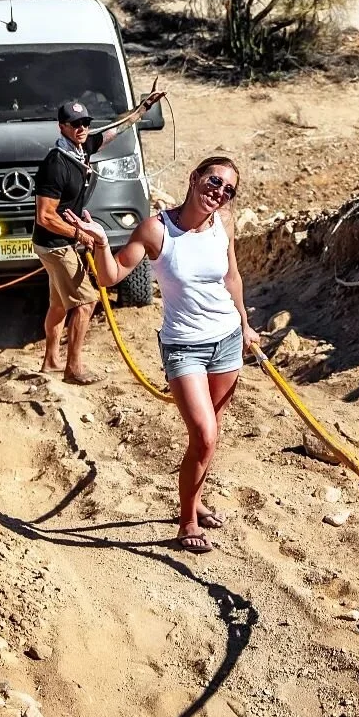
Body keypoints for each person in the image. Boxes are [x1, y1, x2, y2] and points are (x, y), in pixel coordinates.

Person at [75, 155, 260, 554]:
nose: (219, 193)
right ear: (194, 179)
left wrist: (244, 324)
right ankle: (187, 521)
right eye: (214, 182)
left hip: (226, 339)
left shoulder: (222, 226)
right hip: (184, 346)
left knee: (209, 436)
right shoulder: (157, 230)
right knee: (205, 434)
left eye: (229, 190)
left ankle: (195, 500)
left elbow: (231, 277)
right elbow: (110, 277)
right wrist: (103, 243)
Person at [33, 92, 163, 384]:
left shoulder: (82, 148)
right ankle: (73, 368)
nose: (81, 128)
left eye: (85, 123)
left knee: (58, 303)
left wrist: (142, 109)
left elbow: (115, 130)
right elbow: (44, 216)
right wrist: (81, 234)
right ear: (62, 127)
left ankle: (51, 360)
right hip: (54, 244)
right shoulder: (56, 164)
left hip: (61, 241)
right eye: (74, 124)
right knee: (86, 302)